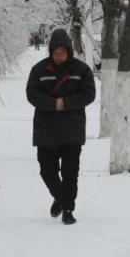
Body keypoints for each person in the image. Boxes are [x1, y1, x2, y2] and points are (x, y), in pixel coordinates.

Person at [26, 28, 96, 225]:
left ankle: (67, 209)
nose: (59, 57)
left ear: (68, 51)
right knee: (47, 171)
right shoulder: (39, 70)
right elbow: (32, 93)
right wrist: (52, 104)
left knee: (70, 173)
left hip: (72, 131)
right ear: (50, 52)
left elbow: (88, 94)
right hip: (46, 130)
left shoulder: (81, 71)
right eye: (56, 53)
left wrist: (65, 103)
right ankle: (61, 198)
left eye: (62, 53)